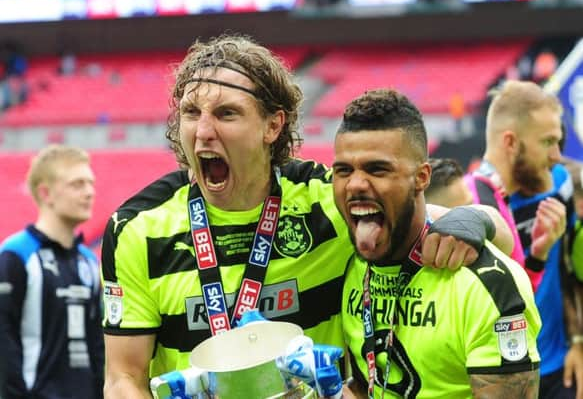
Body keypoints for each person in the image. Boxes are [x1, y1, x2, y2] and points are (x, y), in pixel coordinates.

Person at [100, 34, 516, 398]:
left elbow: (498, 236)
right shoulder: (136, 228)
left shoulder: (326, 203)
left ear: (273, 125)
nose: (203, 131)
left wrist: (472, 221)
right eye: (191, 113)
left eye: (226, 113)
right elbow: (123, 376)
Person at [334, 88, 541, 398]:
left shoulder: (484, 285)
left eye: (378, 169)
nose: (356, 184)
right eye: (343, 170)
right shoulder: (350, 260)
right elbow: (371, 383)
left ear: (421, 177)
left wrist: (477, 218)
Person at [475, 80, 582, 398]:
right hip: (501, 377)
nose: (556, 156)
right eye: (547, 142)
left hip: (561, 368)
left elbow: (568, 268)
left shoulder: (560, 184)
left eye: (558, 142)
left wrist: (578, 341)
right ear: (511, 142)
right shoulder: (472, 203)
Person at [0, 144, 104, 398]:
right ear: (46, 193)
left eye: (90, 183)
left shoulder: (89, 262)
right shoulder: (16, 255)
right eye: (77, 184)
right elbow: (4, 340)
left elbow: (97, 346)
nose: (89, 192)